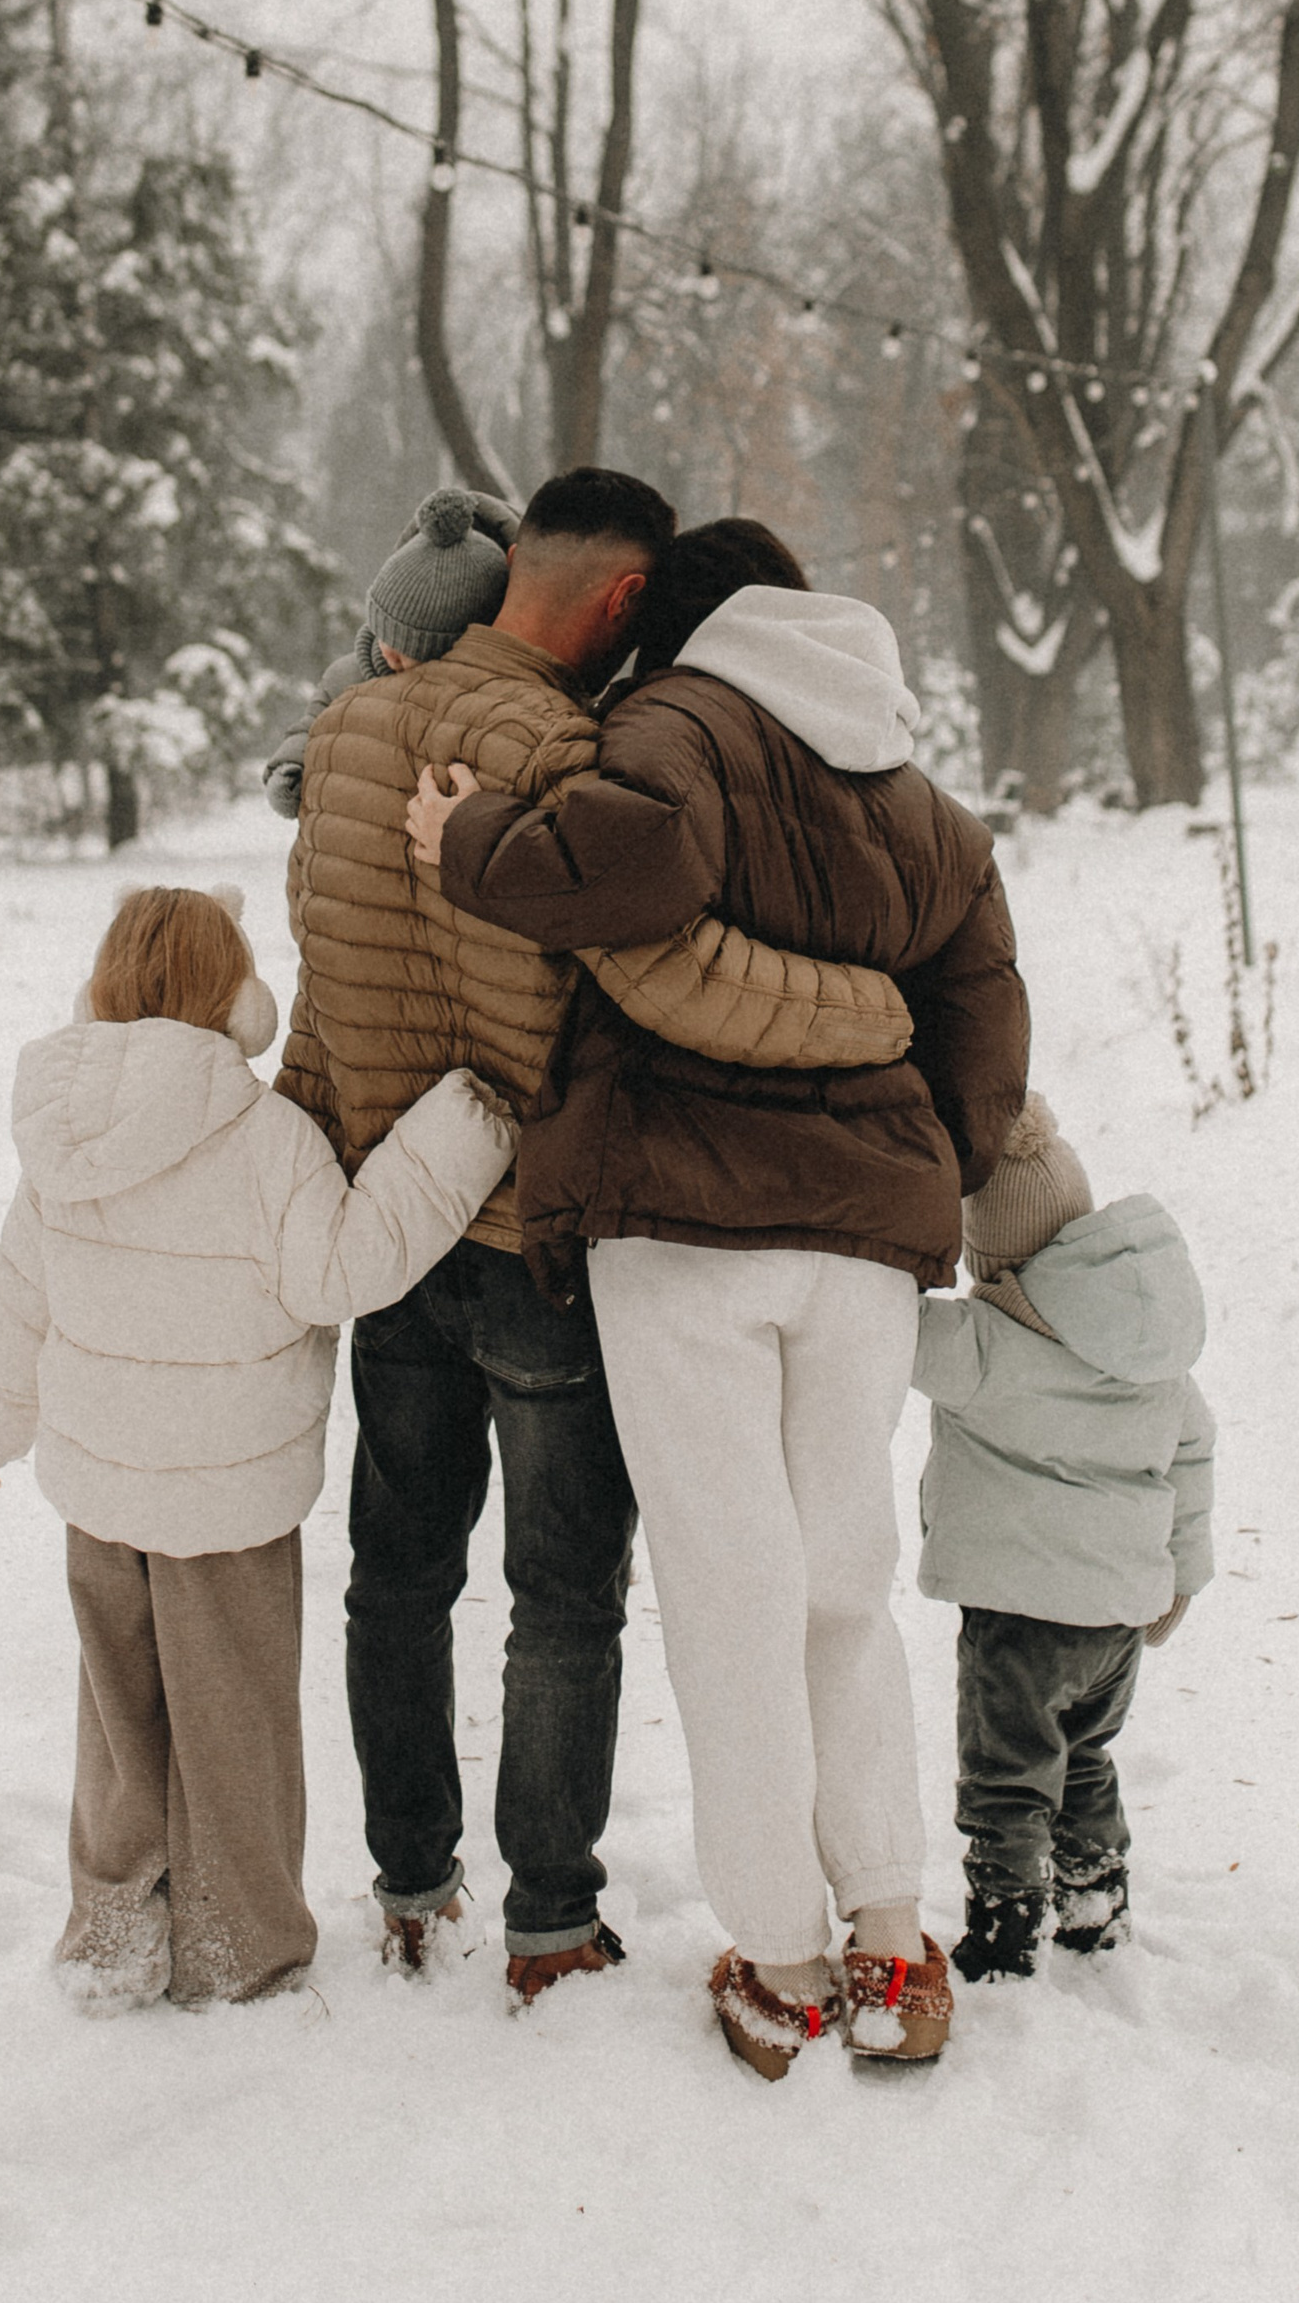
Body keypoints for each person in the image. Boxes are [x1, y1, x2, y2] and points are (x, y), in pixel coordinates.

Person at [278, 470, 910, 2004]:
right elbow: (645, 977)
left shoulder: (348, 734)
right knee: (564, 1595)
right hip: (539, 1237)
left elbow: (321, 971)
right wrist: (865, 1013)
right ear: (627, 601)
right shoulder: (574, 754)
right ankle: (551, 1919)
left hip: (387, 1227)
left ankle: (415, 1883)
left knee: (397, 1573)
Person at [408, 519, 1028, 2079]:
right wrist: (925, 1162)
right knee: (841, 1577)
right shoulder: (906, 771)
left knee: (731, 1584)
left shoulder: (681, 721)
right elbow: (983, 1001)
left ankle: (787, 1958)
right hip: (861, 1238)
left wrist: (470, 841)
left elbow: (630, 861)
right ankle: (894, 1936)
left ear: (682, 624)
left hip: (683, 1217)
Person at [0, 884, 515, 2013]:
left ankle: (112, 1933)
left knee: (118, 1720)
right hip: (228, 1498)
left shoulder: (59, 1136)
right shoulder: (266, 1137)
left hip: (101, 1488)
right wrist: (458, 1130)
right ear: (235, 995)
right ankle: (236, 1940)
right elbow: (339, 1271)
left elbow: (21, 1291)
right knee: (234, 1721)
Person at [912, 1092, 1216, 1981]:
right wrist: (1181, 1574)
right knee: (1083, 1757)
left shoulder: (983, 1341)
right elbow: (1193, 1454)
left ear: (993, 1256)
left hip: (1021, 1620)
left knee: (1008, 1779)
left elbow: (881, 1329)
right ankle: (1095, 1899)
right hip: (1120, 1622)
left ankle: (1005, 1934)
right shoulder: (1154, 1354)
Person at [261, 486, 518, 819]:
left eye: (409, 647)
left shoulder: (477, 703)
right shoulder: (348, 675)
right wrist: (292, 763)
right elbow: (312, 724)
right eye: (384, 632)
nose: (388, 651)